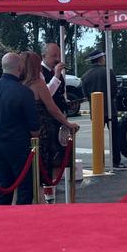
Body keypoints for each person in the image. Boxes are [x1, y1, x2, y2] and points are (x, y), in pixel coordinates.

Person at [0, 53, 40, 205]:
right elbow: (33, 125)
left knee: (3, 188)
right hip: (19, 145)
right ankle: (22, 221)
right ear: (20, 67)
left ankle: (1, 220)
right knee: (25, 188)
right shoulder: (24, 92)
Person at [21, 52, 79, 181]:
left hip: (23, 131)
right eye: (54, 55)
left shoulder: (19, 84)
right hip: (42, 129)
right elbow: (52, 107)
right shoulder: (38, 83)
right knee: (45, 169)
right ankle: (46, 195)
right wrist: (67, 124)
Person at [81, 49, 126, 169]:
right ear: (101, 59)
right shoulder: (108, 72)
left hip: (96, 112)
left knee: (98, 138)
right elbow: (114, 91)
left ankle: (99, 162)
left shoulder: (85, 76)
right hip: (110, 110)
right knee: (114, 137)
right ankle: (116, 161)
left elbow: (85, 94)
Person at [41, 43, 67, 112]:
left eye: (59, 55)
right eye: (54, 56)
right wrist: (56, 75)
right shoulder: (39, 72)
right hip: (48, 116)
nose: (58, 59)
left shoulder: (55, 71)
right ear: (43, 56)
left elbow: (60, 92)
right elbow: (46, 95)